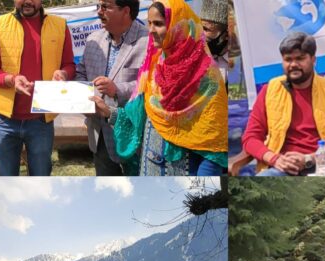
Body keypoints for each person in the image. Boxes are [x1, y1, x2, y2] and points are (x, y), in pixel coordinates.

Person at [95, 0, 228, 176]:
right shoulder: (153, 68)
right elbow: (136, 116)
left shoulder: (207, 78)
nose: (150, 30)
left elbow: (213, 148)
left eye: (158, 24)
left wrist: (200, 191)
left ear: (178, 26)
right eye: (149, 23)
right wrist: (108, 112)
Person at [241, 31, 325, 176]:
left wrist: (309, 158)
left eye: (300, 58)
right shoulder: (270, 90)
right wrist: (274, 159)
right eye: (288, 59)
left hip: (324, 162)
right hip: (281, 166)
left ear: (313, 59)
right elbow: (250, 137)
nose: (293, 64)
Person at [0, 0, 76, 176]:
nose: (27, 1)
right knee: (6, 180)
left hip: (41, 120)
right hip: (5, 121)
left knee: (40, 180)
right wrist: (11, 80)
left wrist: (63, 74)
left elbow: (69, 65)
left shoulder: (59, 25)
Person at [76, 0, 147, 176]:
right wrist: (82, 98)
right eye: (98, 7)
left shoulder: (148, 42)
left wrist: (118, 89)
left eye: (106, 7)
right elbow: (81, 74)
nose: (100, 12)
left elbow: (152, 84)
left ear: (126, 11)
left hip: (134, 136)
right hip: (99, 136)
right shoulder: (94, 40)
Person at [199, 0, 230, 87]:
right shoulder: (197, 56)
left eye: (206, 29)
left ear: (227, 34)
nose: (201, 33)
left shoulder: (240, 64)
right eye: (200, 27)